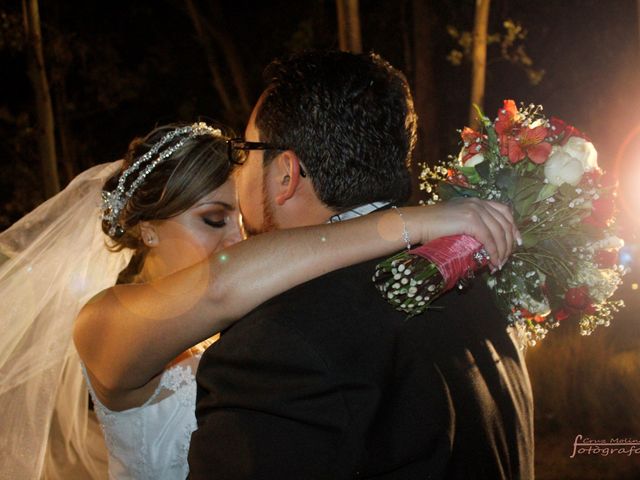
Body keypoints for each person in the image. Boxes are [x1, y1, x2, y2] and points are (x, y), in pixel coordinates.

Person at [0, 118, 516, 480]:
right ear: (148, 230)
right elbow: (224, 281)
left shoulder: (240, 322)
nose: (235, 240)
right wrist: (416, 221)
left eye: (242, 222)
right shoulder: (102, 322)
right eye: (213, 218)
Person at [188, 50, 534, 479]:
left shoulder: (279, 342)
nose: (236, 173)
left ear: (285, 175)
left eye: (244, 152)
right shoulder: (476, 290)